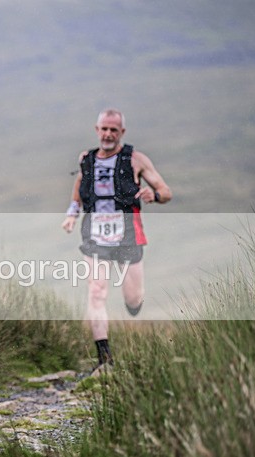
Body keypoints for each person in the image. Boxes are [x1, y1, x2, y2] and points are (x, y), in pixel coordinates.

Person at [61, 108, 171, 372]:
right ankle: (104, 357)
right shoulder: (86, 160)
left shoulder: (136, 160)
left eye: (114, 130)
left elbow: (166, 192)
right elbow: (78, 191)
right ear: (96, 130)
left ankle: (134, 304)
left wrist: (153, 196)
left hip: (128, 233)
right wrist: (71, 215)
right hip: (94, 233)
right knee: (96, 291)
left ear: (121, 132)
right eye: (104, 129)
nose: (108, 134)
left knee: (133, 298)